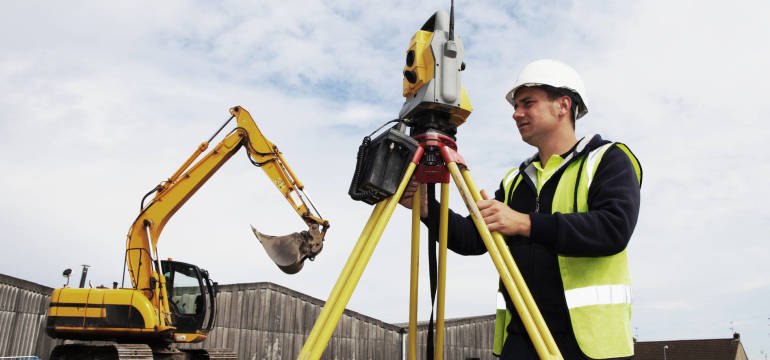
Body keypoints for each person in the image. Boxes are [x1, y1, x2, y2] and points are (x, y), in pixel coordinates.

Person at [399, 59, 642, 360]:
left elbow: (613, 229)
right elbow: (475, 239)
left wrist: (526, 223)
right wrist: (427, 210)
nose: (516, 113)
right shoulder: (516, 181)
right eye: (515, 106)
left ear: (563, 105)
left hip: (590, 346)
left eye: (528, 103)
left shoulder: (608, 160)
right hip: (522, 341)